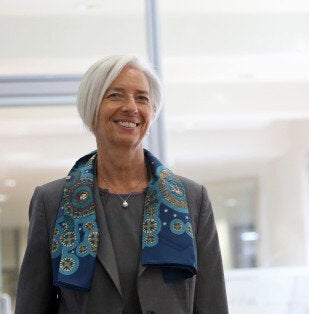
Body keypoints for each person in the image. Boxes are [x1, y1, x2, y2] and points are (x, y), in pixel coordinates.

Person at [15, 55, 229, 313]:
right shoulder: (52, 201)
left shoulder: (192, 199)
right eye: (115, 95)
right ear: (92, 107)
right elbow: (32, 305)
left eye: (142, 98)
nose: (131, 107)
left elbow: (212, 303)